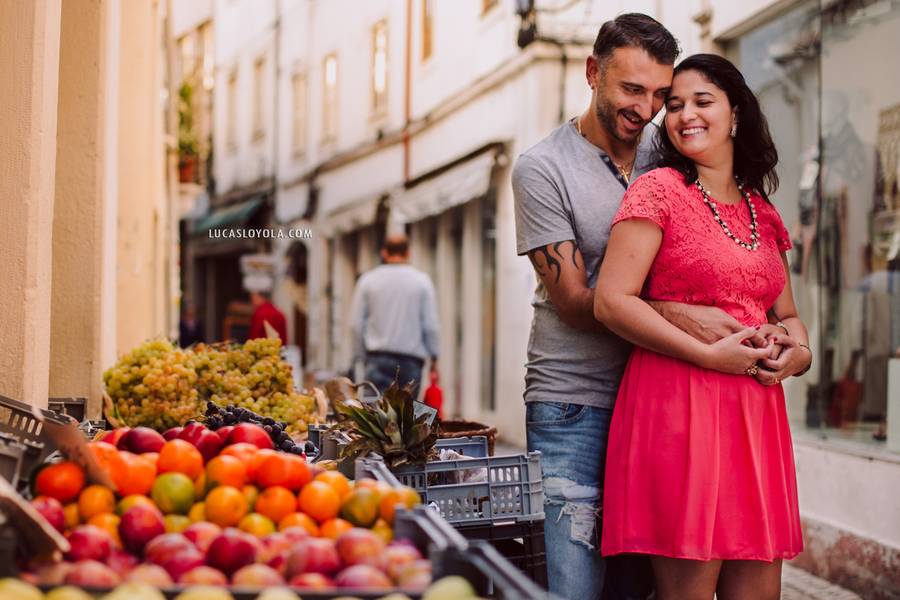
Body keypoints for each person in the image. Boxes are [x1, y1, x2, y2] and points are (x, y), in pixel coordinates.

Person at [594, 54, 810, 599]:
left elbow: (786, 314)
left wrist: (799, 353)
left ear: (735, 112)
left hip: (755, 419)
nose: (684, 114)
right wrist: (708, 356)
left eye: (702, 101)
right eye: (674, 105)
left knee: (759, 589)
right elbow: (612, 301)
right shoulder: (658, 190)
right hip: (679, 407)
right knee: (689, 588)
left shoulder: (764, 211)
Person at [513, 14, 687, 599]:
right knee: (574, 587)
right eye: (631, 89)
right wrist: (688, 318)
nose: (646, 108)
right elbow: (575, 303)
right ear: (593, 72)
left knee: (640, 585)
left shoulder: (671, 153)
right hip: (574, 403)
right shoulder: (542, 169)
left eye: (660, 94)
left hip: (660, 393)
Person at [350, 233, 439, 394]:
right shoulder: (421, 281)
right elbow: (430, 325)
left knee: (374, 415)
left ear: (384, 252)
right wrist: (434, 356)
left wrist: (361, 356)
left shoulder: (368, 281)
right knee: (407, 416)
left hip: (377, 358)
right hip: (410, 361)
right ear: (408, 253)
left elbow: (356, 325)